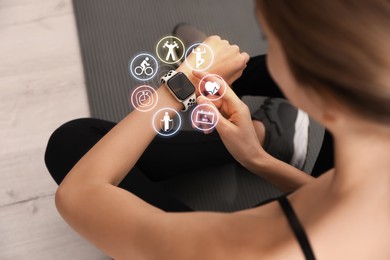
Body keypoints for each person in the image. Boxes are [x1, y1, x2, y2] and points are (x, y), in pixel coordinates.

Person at [44, 1, 390, 259]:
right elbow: (336, 197)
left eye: (270, 42)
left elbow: (78, 194)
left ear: (320, 96)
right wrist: (257, 159)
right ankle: (266, 135)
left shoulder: (245, 248)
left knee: (71, 145)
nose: (270, 54)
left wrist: (185, 81)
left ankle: (240, 108)